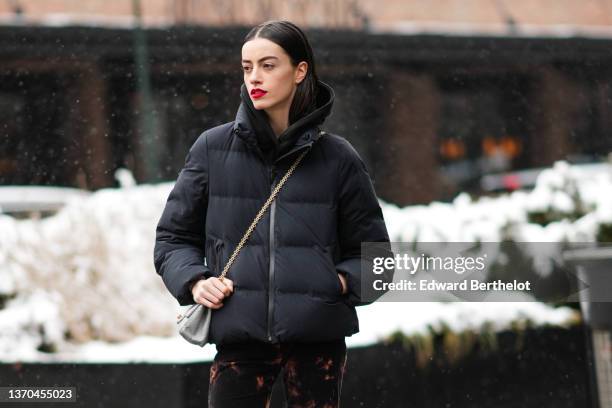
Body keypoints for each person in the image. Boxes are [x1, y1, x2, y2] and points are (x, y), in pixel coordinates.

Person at [154, 19, 392, 408]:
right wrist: (196, 282)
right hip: (239, 339)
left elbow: (377, 259)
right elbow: (172, 239)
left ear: (300, 71)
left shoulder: (338, 159)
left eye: (268, 65)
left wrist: (338, 284)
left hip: (318, 344)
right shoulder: (212, 149)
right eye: (247, 68)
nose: (255, 78)